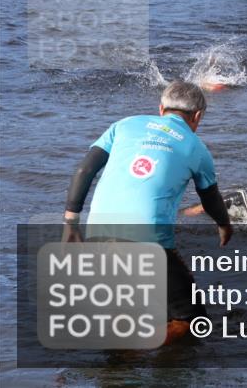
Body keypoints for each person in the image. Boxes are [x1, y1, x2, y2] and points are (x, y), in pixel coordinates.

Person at [62, 81, 233, 342]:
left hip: (98, 232)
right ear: (197, 116)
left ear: (161, 108)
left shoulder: (124, 124)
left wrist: (71, 223)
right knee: (192, 321)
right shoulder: (196, 148)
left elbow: (84, 170)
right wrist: (224, 225)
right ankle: (141, 353)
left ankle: (116, 370)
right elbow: (210, 198)